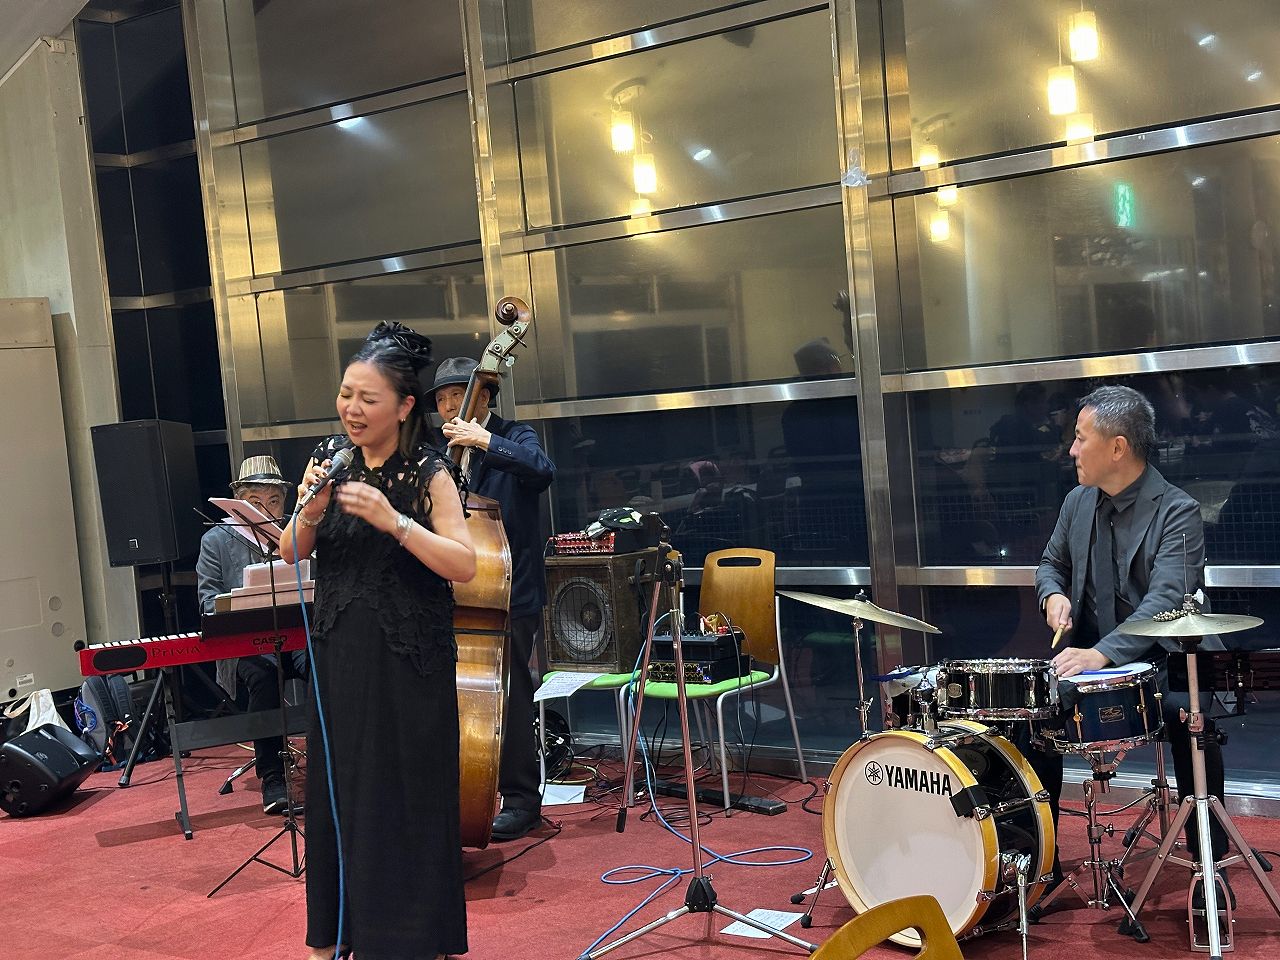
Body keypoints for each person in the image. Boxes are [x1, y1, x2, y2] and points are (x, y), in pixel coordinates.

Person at [280, 323, 476, 960]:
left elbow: (463, 564)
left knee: (403, 796)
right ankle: (340, 933)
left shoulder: (428, 471)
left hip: (407, 663)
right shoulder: (330, 460)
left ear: (404, 405)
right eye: (346, 395)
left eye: (368, 398)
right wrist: (310, 510)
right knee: (340, 793)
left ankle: (411, 939)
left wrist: (396, 523)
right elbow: (290, 550)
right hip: (339, 659)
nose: (352, 409)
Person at [1034, 384, 1230, 904]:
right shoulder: (1077, 502)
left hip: (1160, 664)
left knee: (1193, 719)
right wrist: (1053, 595)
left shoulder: (1178, 510)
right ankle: (1039, 866)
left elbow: (1164, 602)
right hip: (1090, 661)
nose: (1071, 450)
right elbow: (1051, 563)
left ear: (1117, 447)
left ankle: (1208, 867)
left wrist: (1100, 654)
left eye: (1081, 438)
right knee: (1030, 716)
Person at [433, 357, 555, 842]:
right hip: (451, 594)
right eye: (442, 400)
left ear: (482, 396)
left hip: (510, 590)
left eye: (457, 395)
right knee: (456, 696)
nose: (449, 407)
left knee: (510, 693)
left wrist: (483, 440)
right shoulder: (438, 453)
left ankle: (522, 799)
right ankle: (462, 793)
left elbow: (542, 471)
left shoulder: (513, 434)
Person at [195, 455, 307, 814]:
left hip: (297, 636)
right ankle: (272, 776)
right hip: (248, 645)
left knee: (327, 663)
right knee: (262, 677)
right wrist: (245, 600)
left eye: (273, 500)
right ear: (238, 502)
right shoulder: (216, 540)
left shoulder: (296, 533)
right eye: (254, 501)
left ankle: (333, 762)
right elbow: (208, 603)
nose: (265, 509)